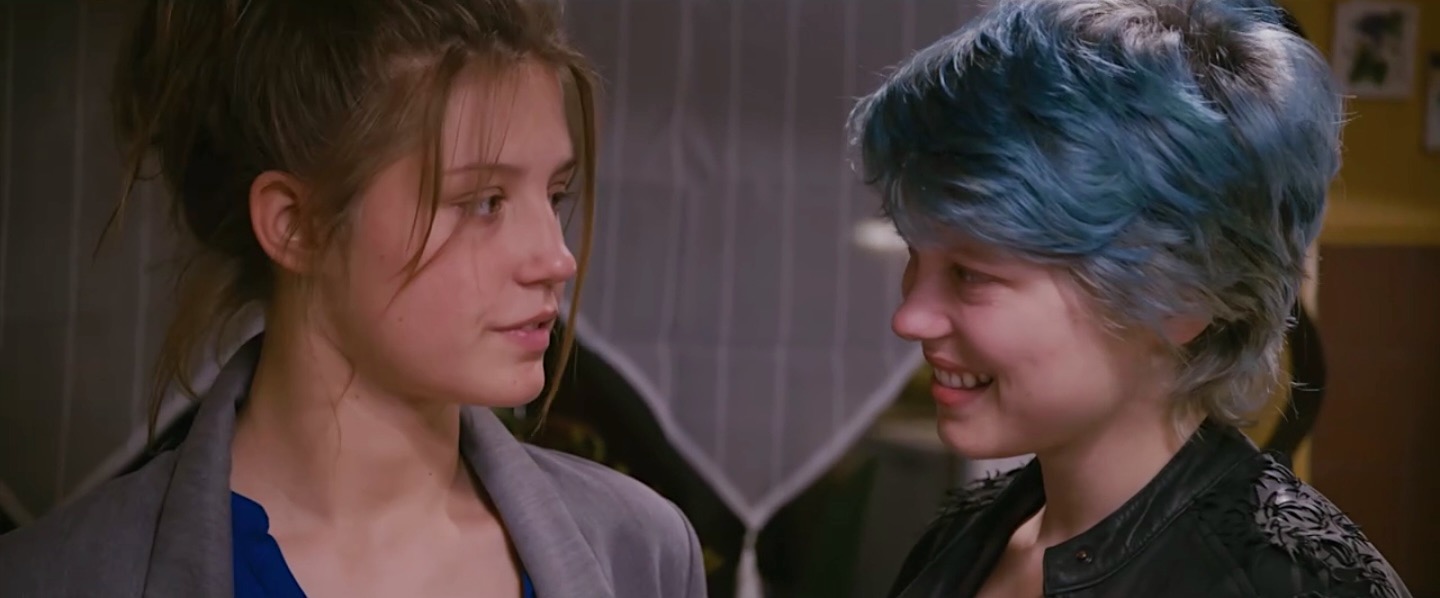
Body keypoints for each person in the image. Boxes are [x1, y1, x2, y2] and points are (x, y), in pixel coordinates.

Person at [0, 1, 706, 597]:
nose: (556, 258)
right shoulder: (58, 577)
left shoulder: (641, 553)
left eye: (554, 195)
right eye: (485, 202)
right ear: (296, 224)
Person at [847, 0, 1411, 596]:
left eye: (970, 273)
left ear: (1180, 294)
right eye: (915, 253)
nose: (909, 317)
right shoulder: (959, 540)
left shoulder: (1289, 585)